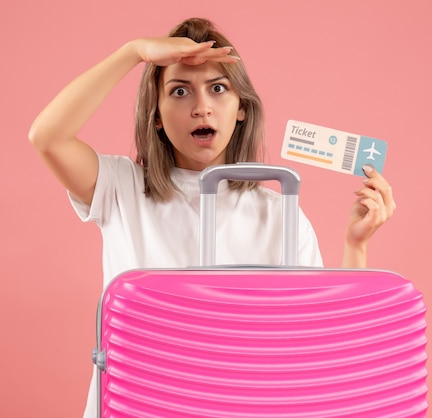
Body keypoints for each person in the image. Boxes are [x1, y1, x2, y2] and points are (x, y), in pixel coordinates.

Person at [28, 17, 395, 418]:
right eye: (180, 91)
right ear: (156, 115)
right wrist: (132, 52)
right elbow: (47, 136)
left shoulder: (280, 213)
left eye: (218, 89)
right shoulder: (121, 188)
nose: (201, 107)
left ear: (240, 108)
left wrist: (356, 245)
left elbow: (318, 344)